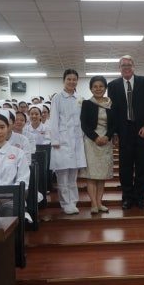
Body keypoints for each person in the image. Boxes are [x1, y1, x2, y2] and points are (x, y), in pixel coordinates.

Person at [108, 55, 144, 210]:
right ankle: (127, 198)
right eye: (123, 65)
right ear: (119, 68)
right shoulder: (113, 86)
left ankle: (141, 198)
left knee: (143, 167)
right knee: (125, 168)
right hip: (124, 132)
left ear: (134, 67)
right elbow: (112, 111)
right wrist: (114, 133)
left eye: (129, 65)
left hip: (142, 130)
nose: (126, 67)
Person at [49, 69, 87, 214]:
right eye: (69, 79)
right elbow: (53, 120)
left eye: (74, 79)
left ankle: (73, 202)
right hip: (62, 142)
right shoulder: (57, 98)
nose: (72, 82)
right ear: (63, 80)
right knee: (62, 175)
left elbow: (82, 120)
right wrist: (55, 140)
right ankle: (65, 203)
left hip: (77, 141)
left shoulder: (80, 98)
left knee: (73, 175)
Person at [80, 76, 116, 214]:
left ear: (105, 88)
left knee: (102, 175)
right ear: (91, 88)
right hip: (91, 141)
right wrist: (95, 138)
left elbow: (114, 124)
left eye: (101, 86)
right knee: (91, 174)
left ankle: (100, 202)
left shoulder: (111, 104)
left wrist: (107, 136)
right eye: (95, 86)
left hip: (106, 142)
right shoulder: (87, 104)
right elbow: (84, 124)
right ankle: (93, 204)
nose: (98, 89)